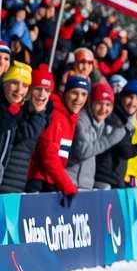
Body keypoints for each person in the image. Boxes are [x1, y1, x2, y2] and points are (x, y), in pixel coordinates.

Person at [26, 75, 86, 197]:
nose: (79, 99)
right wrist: (66, 184)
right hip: (39, 182)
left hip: (50, 181)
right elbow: (49, 155)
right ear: (65, 93)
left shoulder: (70, 118)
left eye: (84, 94)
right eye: (74, 93)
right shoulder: (57, 116)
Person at [1, 64, 52, 193]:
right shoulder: (15, 112)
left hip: (16, 184)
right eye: (38, 89)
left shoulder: (42, 117)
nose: (42, 95)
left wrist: (40, 114)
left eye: (47, 90)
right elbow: (24, 134)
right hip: (7, 181)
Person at [93, 80, 137, 190]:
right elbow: (125, 150)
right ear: (121, 97)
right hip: (105, 178)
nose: (133, 102)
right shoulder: (114, 116)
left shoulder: (125, 118)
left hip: (115, 178)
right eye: (130, 97)